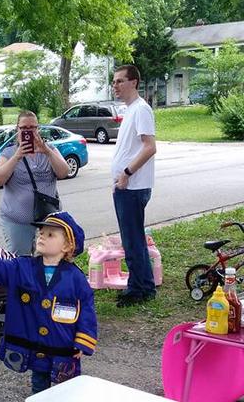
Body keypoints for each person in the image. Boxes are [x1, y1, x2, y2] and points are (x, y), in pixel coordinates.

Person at [0, 211, 98, 395]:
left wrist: (82, 341)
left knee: (67, 388)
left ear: (68, 246)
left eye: (50, 234)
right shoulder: (21, 267)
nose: (42, 236)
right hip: (34, 344)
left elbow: (86, 309)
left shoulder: (76, 278)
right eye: (41, 232)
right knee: (39, 382)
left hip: (62, 344)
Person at [111, 64, 157, 308]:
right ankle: (143, 284)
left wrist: (127, 173)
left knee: (132, 240)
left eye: (120, 81)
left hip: (133, 186)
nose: (115, 86)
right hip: (125, 185)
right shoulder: (130, 110)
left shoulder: (141, 110)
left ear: (134, 82)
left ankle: (139, 289)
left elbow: (150, 147)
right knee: (133, 238)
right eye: (114, 81)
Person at [0, 111, 69, 255]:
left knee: (48, 259)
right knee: (22, 263)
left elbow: (64, 172)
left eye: (33, 127)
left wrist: (46, 151)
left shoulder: (50, 149)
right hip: (17, 222)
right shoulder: (9, 153)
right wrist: (17, 156)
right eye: (24, 128)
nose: (29, 131)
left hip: (48, 219)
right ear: (17, 129)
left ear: (38, 129)